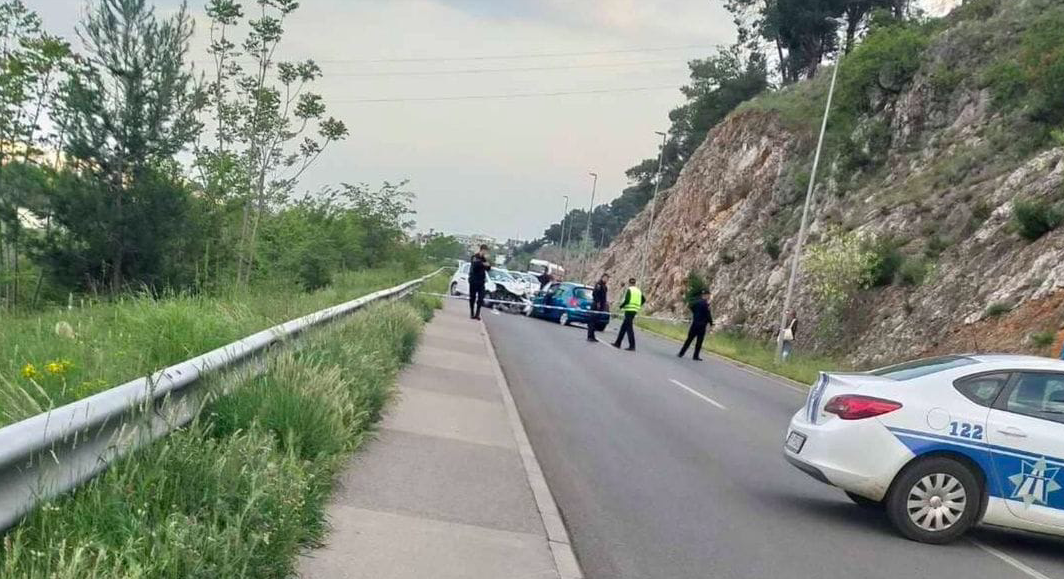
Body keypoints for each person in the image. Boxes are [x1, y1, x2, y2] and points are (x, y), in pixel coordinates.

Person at [678, 289, 714, 360]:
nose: (709, 296)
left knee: (689, 339)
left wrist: (695, 315)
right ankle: (695, 356)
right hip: (702, 325)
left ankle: (681, 353)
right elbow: (708, 315)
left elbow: (691, 307)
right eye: (708, 295)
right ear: (706, 295)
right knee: (699, 341)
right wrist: (711, 323)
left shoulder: (697, 302)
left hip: (695, 323)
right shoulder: (706, 304)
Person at [612, 278, 644, 351]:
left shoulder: (629, 290)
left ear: (629, 283)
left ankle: (632, 346)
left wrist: (621, 307)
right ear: (635, 283)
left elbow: (627, 300)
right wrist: (638, 305)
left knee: (629, 328)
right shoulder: (638, 291)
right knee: (623, 327)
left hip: (629, 310)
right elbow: (643, 299)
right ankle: (618, 343)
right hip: (635, 310)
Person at [469, 245, 491, 320]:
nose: (486, 252)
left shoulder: (484, 259)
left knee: (481, 298)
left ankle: (477, 314)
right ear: (482, 250)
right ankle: (472, 313)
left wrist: (486, 263)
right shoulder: (474, 257)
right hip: (473, 280)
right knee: (472, 297)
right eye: (485, 251)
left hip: (481, 281)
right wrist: (482, 264)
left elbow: (488, 268)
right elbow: (475, 266)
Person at [587, 273, 609, 343]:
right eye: (605, 278)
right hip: (596, 305)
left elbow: (604, 296)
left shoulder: (604, 286)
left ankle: (593, 336)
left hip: (601, 306)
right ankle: (590, 336)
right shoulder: (598, 285)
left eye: (607, 278)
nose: (606, 279)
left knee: (595, 321)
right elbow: (595, 294)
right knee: (592, 321)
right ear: (602, 277)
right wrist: (598, 303)